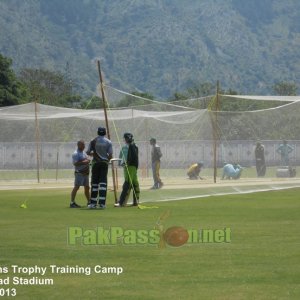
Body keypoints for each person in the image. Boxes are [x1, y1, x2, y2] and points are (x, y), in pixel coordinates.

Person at [86, 127, 113, 209]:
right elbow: (110, 155)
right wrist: (106, 160)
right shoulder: (108, 142)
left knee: (94, 183)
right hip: (104, 163)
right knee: (103, 184)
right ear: (105, 133)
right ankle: (102, 204)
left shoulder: (93, 141)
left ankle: (93, 204)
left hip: (95, 163)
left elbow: (88, 152)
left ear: (97, 132)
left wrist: (94, 154)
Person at [115, 133, 140, 207]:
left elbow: (132, 158)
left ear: (127, 138)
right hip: (133, 167)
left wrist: (127, 163)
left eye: (125, 138)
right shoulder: (134, 146)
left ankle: (121, 202)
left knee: (127, 183)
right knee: (135, 183)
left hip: (130, 167)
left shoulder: (131, 146)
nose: (124, 140)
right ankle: (136, 201)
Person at [70, 140, 90, 208]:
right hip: (79, 173)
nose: (84, 146)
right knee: (76, 187)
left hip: (86, 173)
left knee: (87, 187)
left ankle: (89, 202)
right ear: (78, 145)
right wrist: (84, 162)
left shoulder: (83, 152)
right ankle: (72, 202)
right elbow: (75, 163)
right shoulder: (76, 153)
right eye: (82, 145)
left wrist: (87, 160)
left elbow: (87, 159)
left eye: (84, 145)